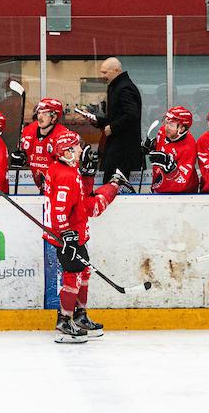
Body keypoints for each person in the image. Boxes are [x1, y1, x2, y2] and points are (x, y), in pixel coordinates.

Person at [44, 130, 127, 343]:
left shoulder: (67, 169)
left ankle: (79, 316)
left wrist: (89, 175)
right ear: (67, 151)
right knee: (72, 277)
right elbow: (58, 210)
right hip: (67, 237)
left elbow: (82, 203)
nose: (81, 148)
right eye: (76, 146)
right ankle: (64, 321)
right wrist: (66, 234)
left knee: (84, 272)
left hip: (75, 233)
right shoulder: (65, 175)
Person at [92, 58, 143, 185]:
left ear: (116, 70)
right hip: (117, 147)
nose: (102, 76)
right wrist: (98, 121)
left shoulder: (124, 88)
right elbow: (117, 116)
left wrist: (113, 127)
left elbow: (132, 115)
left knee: (113, 185)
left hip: (123, 150)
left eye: (105, 72)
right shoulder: (117, 86)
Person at [11, 98, 69, 193]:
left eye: (45, 114)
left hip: (61, 189)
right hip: (42, 188)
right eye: (39, 113)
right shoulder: (28, 131)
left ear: (54, 117)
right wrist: (20, 158)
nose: (40, 117)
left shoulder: (63, 136)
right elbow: (27, 156)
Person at [148, 106, 198, 193]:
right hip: (159, 188)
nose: (166, 127)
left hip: (183, 194)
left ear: (182, 128)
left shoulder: (189, 147)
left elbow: (182, 181)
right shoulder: (163, 131)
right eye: (166, 122)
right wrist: (152, 146)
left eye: (171, 124)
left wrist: (171, 170)